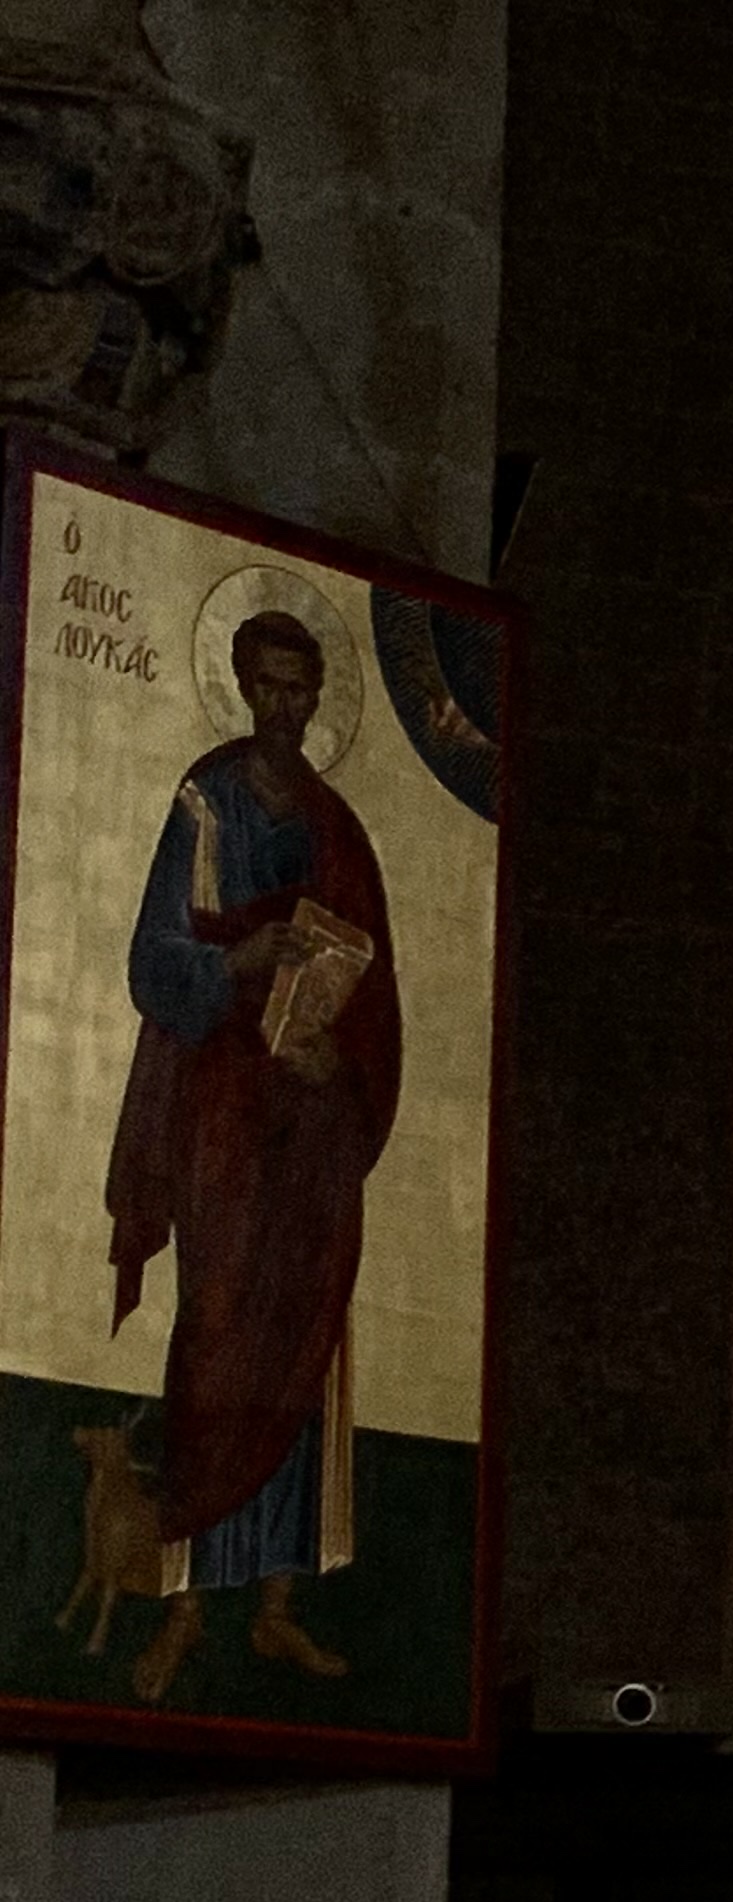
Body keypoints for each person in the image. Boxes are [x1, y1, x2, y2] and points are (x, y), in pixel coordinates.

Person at [108, 607, 402, 1703]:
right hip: (226, 1107)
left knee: (306, 1328)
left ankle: (278, 1605)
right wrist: (242, 960)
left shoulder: (339, 828)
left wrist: (339, 1054)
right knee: (220, 1321)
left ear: (319, 697)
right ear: (241, 686)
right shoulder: (208, 799)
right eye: (268, 685)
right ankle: (187, 1598)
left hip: (311, 1120)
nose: (284, 706)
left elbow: (375, 992)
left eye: (300, 688)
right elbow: (154, 959)